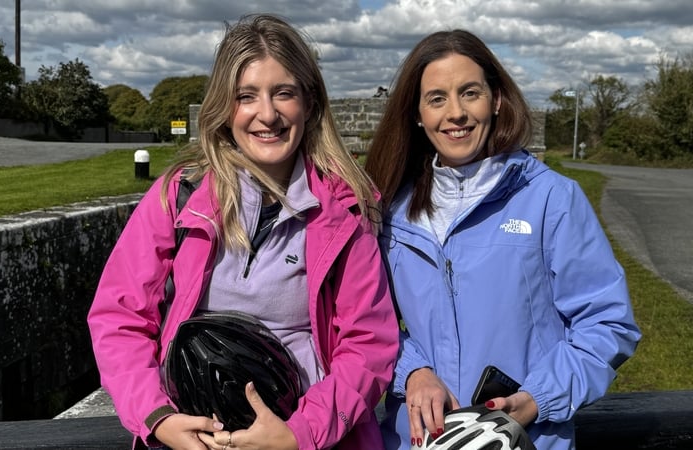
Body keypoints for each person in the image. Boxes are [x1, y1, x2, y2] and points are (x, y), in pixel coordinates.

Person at [88, 13, 398, 450]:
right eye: (246, 96)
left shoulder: (346, 209)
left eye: (283, 93)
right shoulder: (179, 196)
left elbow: (368, 345)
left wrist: (299, 433)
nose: (266, 114)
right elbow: (119, 316)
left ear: (308, 103)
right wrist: (157, 416)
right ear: (223, 107)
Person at [363, 29, 641, 450]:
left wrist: (536, 399)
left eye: (469, 93)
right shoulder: (392, 210)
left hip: (525, 440)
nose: (455, 113)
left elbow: (606, 323)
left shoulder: (551, 199)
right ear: (417, 114)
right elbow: (368, 322)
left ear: (495, 100)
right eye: (437, 98)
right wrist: (413, 372)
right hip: (416, 442)